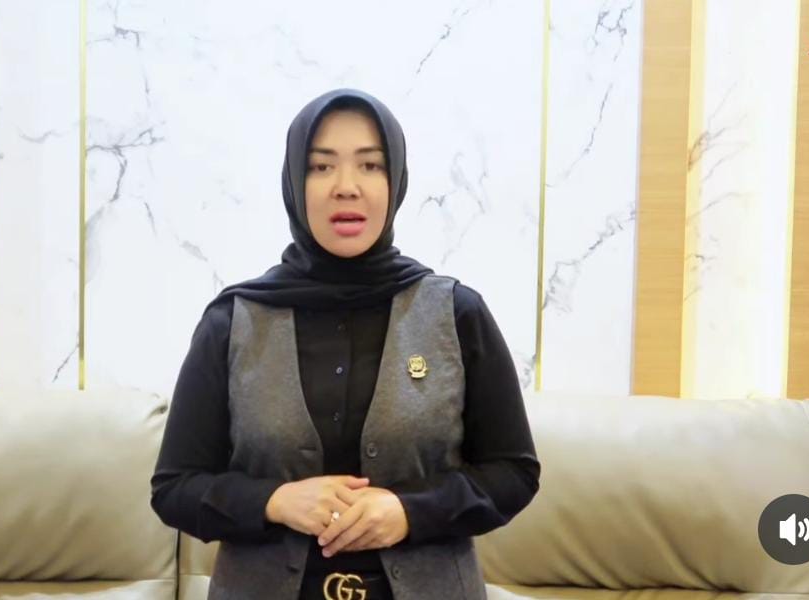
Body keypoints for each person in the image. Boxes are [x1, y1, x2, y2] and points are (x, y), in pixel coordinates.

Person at [151, 88, 540, 600]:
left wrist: (409, 511)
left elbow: (513, 472)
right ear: (295, 182)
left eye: (370, 165)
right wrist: (275, 501)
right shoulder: (232, 321)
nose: (346, 188)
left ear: (395, 180)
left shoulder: (456, 313)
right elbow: (175, 488)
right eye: (321, 167)